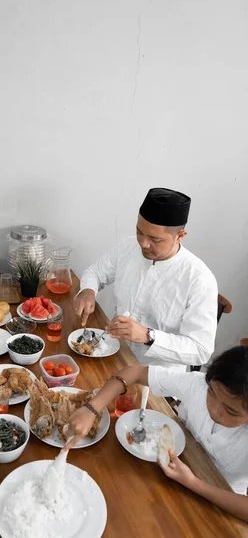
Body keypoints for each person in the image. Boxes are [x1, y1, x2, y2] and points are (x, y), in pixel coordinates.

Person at [63, 346, 248, 522]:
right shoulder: (199, 384)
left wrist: (193, 483)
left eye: (231, 411)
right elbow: (135, 372)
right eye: (212, 393)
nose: (214, 411)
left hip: (217, 507)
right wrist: (91, 409)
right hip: (161, 476)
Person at [74, 187, 218, 370]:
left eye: (155, 239)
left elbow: (201, 350)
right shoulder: (128, 247)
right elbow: (94, 272)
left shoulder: (199, 279)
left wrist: (148, 336)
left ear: (180, 236)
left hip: (157, 379)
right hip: (111, 354)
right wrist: (88, 290)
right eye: (139, 232)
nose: (143, 243)